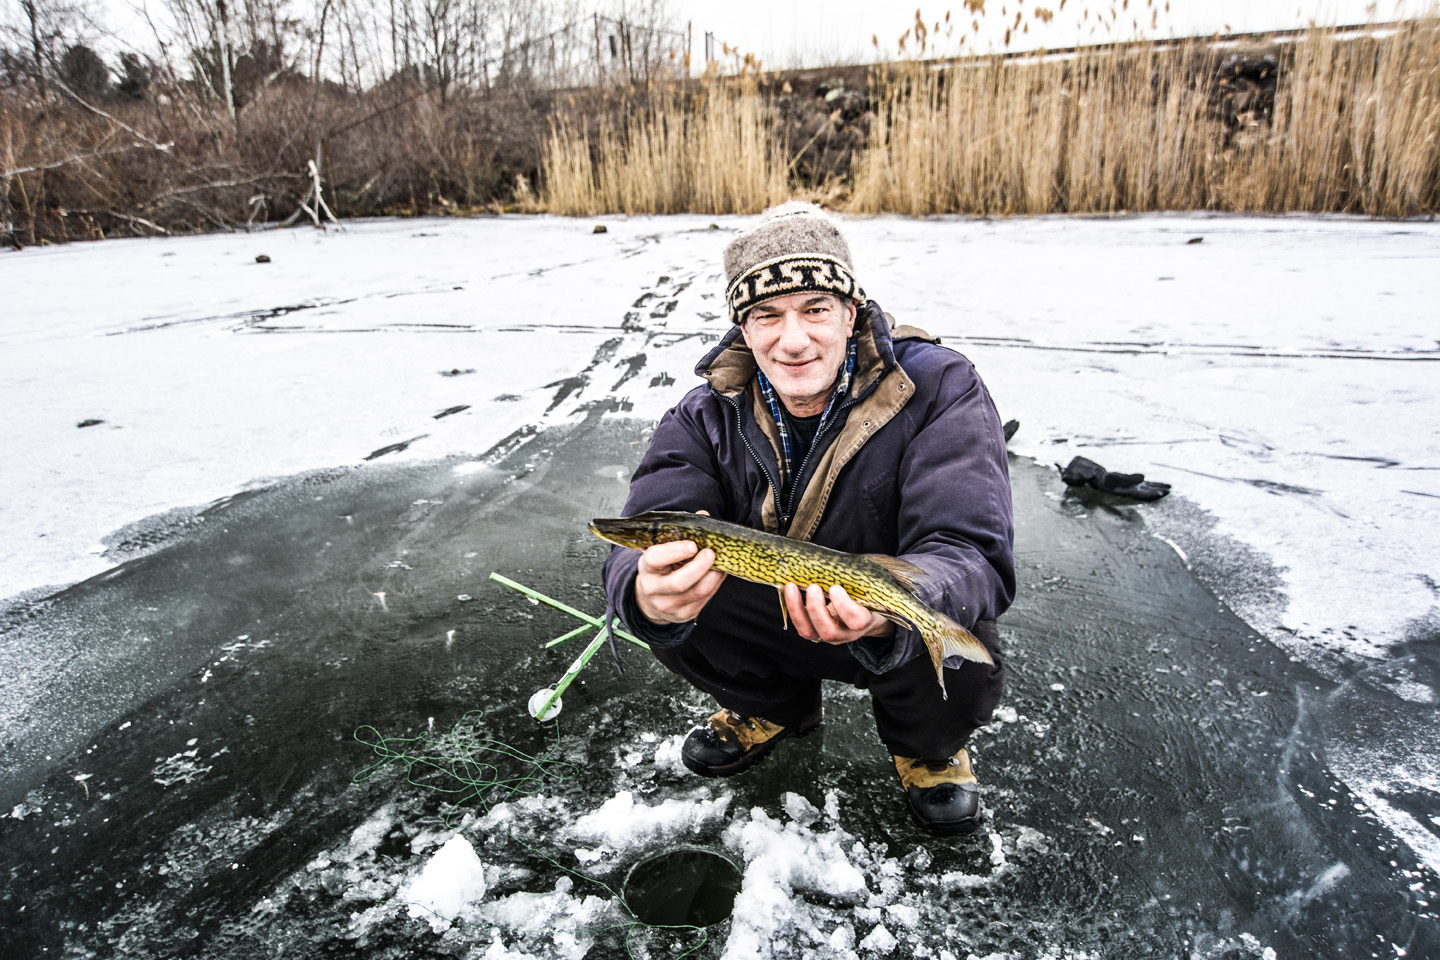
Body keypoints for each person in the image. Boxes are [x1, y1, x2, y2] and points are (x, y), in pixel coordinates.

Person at [601, 202, 1015, 835]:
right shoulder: (702, 415)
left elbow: (968, 549)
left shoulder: (939, 385)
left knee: (957, 618)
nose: (792, 340)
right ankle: (770, 706)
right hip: (775, 603)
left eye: (815, 309)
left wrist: (895, 607)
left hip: (883, 606)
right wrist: (643, 591)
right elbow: (644, 527)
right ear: (743, 329)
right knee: (685, 599)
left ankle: (929, 747)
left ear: (851, 312)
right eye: (766, 315)